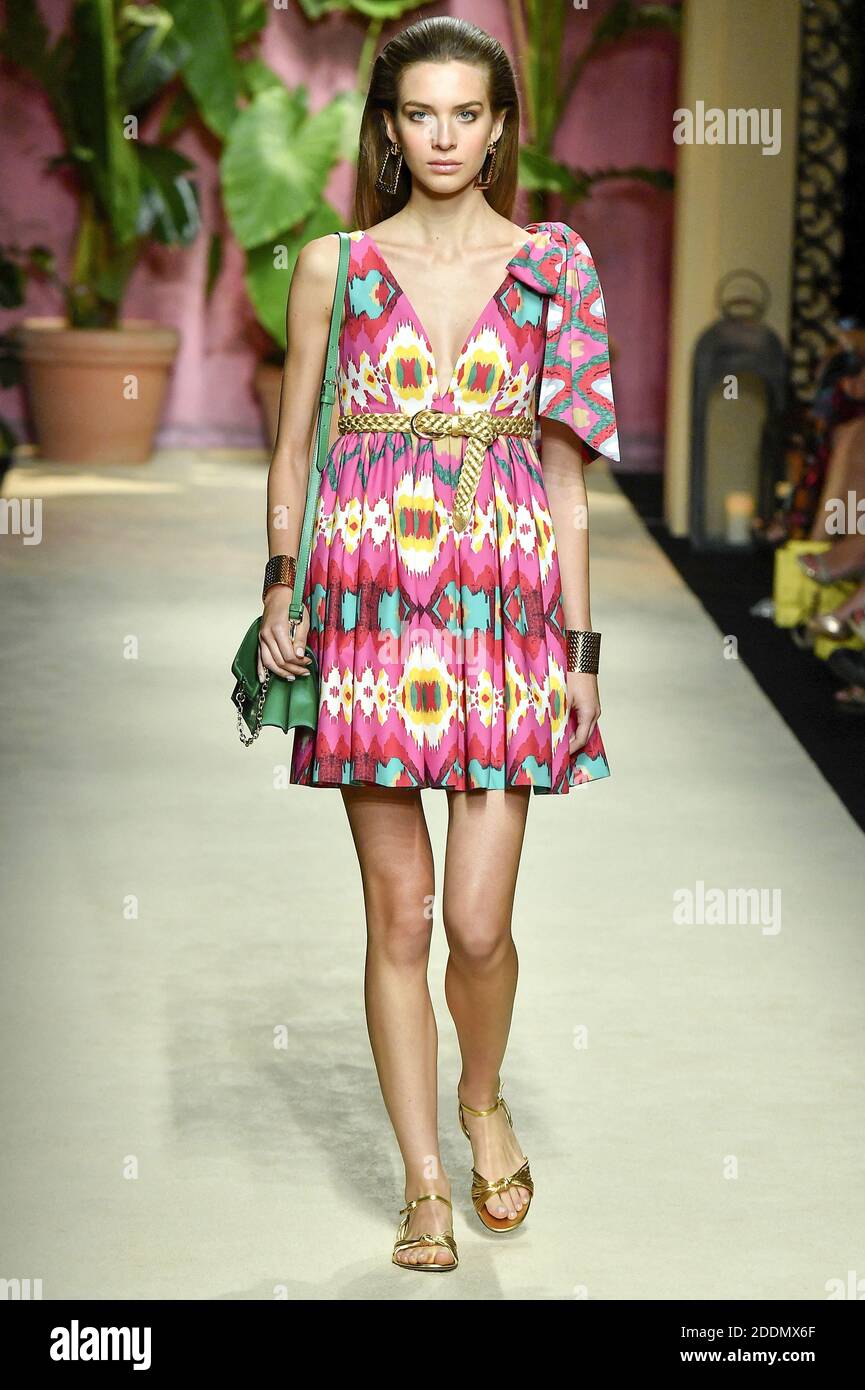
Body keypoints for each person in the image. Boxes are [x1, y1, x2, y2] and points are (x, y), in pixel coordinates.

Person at [255, 16, 619, 1271]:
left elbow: (568, 489)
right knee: (400, 914)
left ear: (502, 126)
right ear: (390, 128)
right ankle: (422, 1179)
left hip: (505, 617)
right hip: (362, 610)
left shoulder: (555, 269)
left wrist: (580, 654)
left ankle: (482, 1097)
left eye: (469, 114)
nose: (446, 137)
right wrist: (279, 582)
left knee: (475, 923)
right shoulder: (334, 267)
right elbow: (295, 444)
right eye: (422, 115)